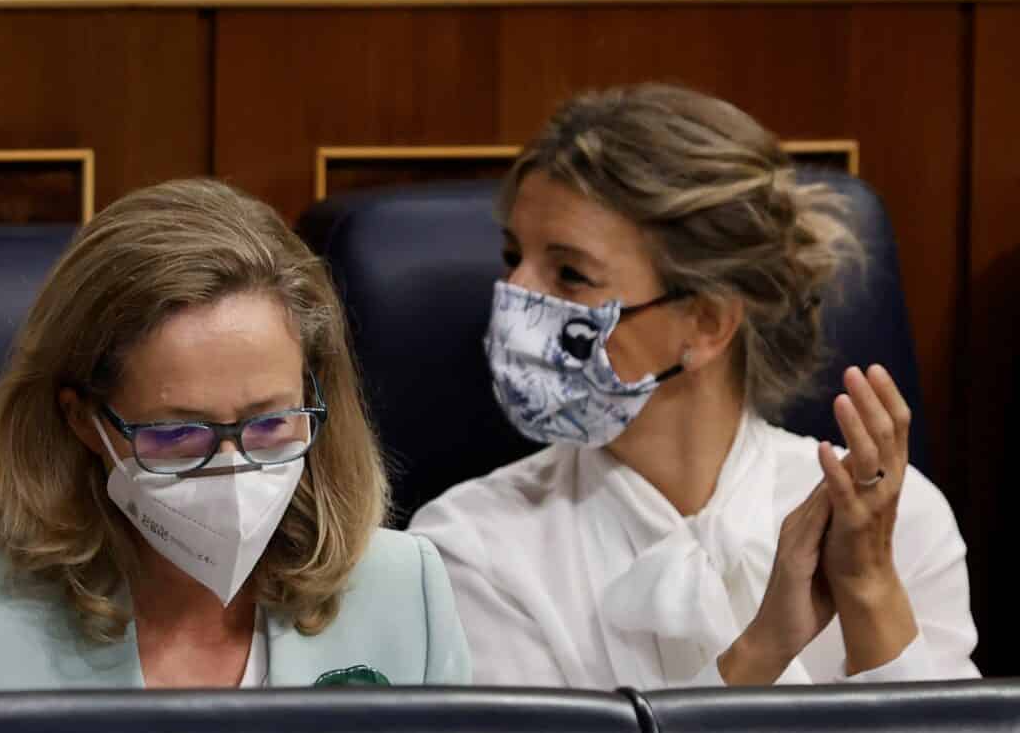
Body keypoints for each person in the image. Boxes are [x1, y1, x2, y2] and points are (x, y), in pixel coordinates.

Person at [409, 84, 976, 688]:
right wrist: (763, 649)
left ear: (706, 322)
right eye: (512, 257)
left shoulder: (898, 516)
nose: (515, 299)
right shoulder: (468, 548)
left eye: (570, 274)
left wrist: (867, 589)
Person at [0, 179, 469, 694]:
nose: (233, 469)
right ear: (82, 418)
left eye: (271, 424)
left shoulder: (402, 593)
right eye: (178, 435)